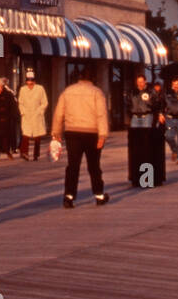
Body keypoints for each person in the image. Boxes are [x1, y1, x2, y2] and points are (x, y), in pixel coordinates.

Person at [51, 67, 109, 208]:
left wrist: (56, 133)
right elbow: (101, 115)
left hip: (72, 133)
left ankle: (69, 196)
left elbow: (59, 113)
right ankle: (99, 195)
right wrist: (103, 135)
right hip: (92, 133)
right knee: (94, 166)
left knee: (73, 166)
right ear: (92, 79)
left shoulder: (68, 91)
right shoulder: (97, 92)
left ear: (79, 77)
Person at [127, 74, 166, 187]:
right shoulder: (132, 92)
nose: (140, 84)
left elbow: (157, 103)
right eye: (138, 81)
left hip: (146, 116)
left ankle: (148, 171)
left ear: (145, 82)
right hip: (135, 117)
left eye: (142, 81)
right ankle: (136, 172)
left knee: (146, 142)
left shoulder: (150, 92)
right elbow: (128, 103)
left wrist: (159, 114)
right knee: (135, 144)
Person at [17, 68, 49, 160]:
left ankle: (36, 154)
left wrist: (40, 111)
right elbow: (20, 102)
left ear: (34, 81)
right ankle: (24, 153)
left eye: (31, 82)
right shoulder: (22, 89)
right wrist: (23, 112)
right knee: (25, 135)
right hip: (26, 115)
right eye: (28, 82)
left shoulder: (40, 89)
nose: (30, 84)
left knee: (37, 136)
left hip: (37, 114)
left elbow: (45, 102)